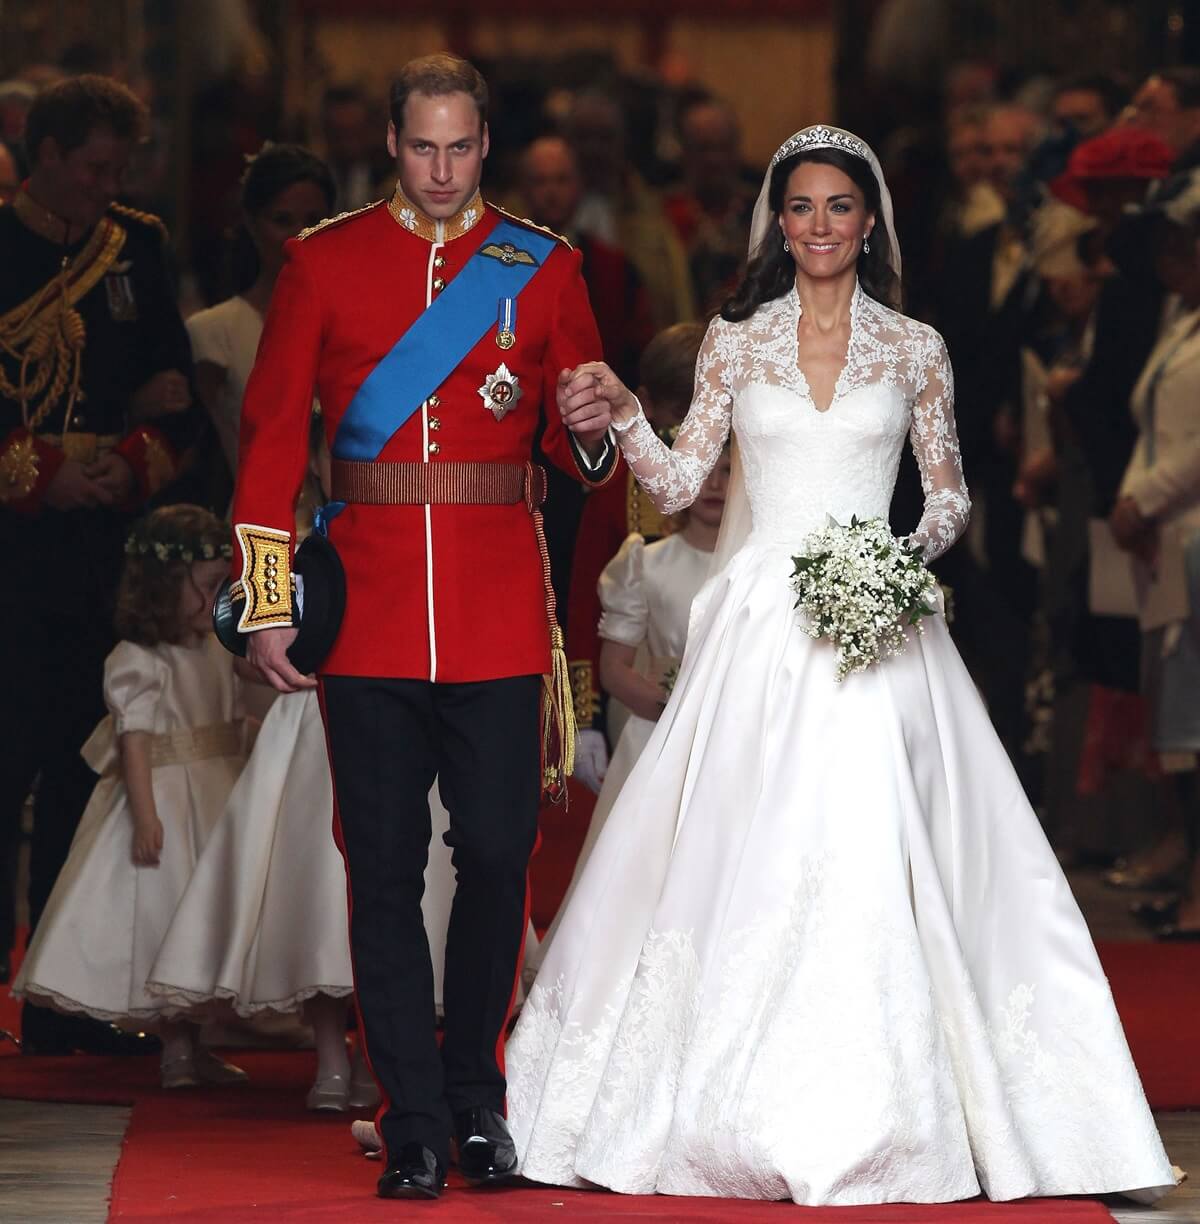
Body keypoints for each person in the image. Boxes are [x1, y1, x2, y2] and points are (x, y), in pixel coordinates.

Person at [506, 124, 1175, 1205]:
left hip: (877, 622)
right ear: (780, 222)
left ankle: (940, 1108)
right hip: (762, 629)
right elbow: (682, 486)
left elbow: (950, 493)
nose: (819, 227)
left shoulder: (915, 348)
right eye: (801, 208)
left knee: (887, 842)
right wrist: (632, 415)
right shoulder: (735, 341)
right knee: (746, 850)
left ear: (870, 223)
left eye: (839, 208)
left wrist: (892, 560)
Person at [229, 53, 615, 1200]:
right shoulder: (325, 262)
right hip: (370, 612)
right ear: (390, 145)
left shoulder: (544, 268)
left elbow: (573, 439)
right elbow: (268, 441)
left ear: (484, 142)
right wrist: (263, 602)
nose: (441, 171)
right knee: (383, 867)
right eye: (420, 147)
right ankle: (411, 1119)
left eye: (460, 147)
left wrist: (592, 430)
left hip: (499, 608)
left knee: (498, 857)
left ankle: (476, 1095)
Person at [0, 74, 200, 1056]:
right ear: (43, 156)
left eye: (118, 169)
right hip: (11, 550)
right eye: (92, 168)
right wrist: (39, 473)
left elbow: (178, 405)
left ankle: (57, 1005)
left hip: (102, 555)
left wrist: (126, 463)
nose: (105, 186)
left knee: (86, 777)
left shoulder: (139, 248)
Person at [12, 506, 248, 1090]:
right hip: (170, 801)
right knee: (165, 917)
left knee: (207, 924)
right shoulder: (139, 661)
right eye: (208, 586)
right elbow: (134, 744)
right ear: (167, 587)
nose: (218, 598)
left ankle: (200, 1044)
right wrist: (145, 816)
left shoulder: (218, 651)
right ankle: (174, 1049)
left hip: (218, 797)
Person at [1109, 170, 1200, 938]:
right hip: (1169, 538)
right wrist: (1135, 500)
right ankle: (1190, 873)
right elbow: (1154, 425)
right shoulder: (1182, 319)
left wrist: (1146, 498)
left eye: (1182, 249)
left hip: (1191, 528)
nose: (1171, 266)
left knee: (1194, 713)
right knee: (1177, 712)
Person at [566, 322, 704, 792]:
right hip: (639, 686)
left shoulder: (743, 476)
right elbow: (587, 600)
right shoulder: (617, 486)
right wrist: (585, 717)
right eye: (674, 415)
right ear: (643, 399)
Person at [187, 143, 335, 480]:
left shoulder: (357, 327)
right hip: (253, 522)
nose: (300, 236)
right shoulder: (214, 331)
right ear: (252, 225)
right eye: (282, 220)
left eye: (314, 221)